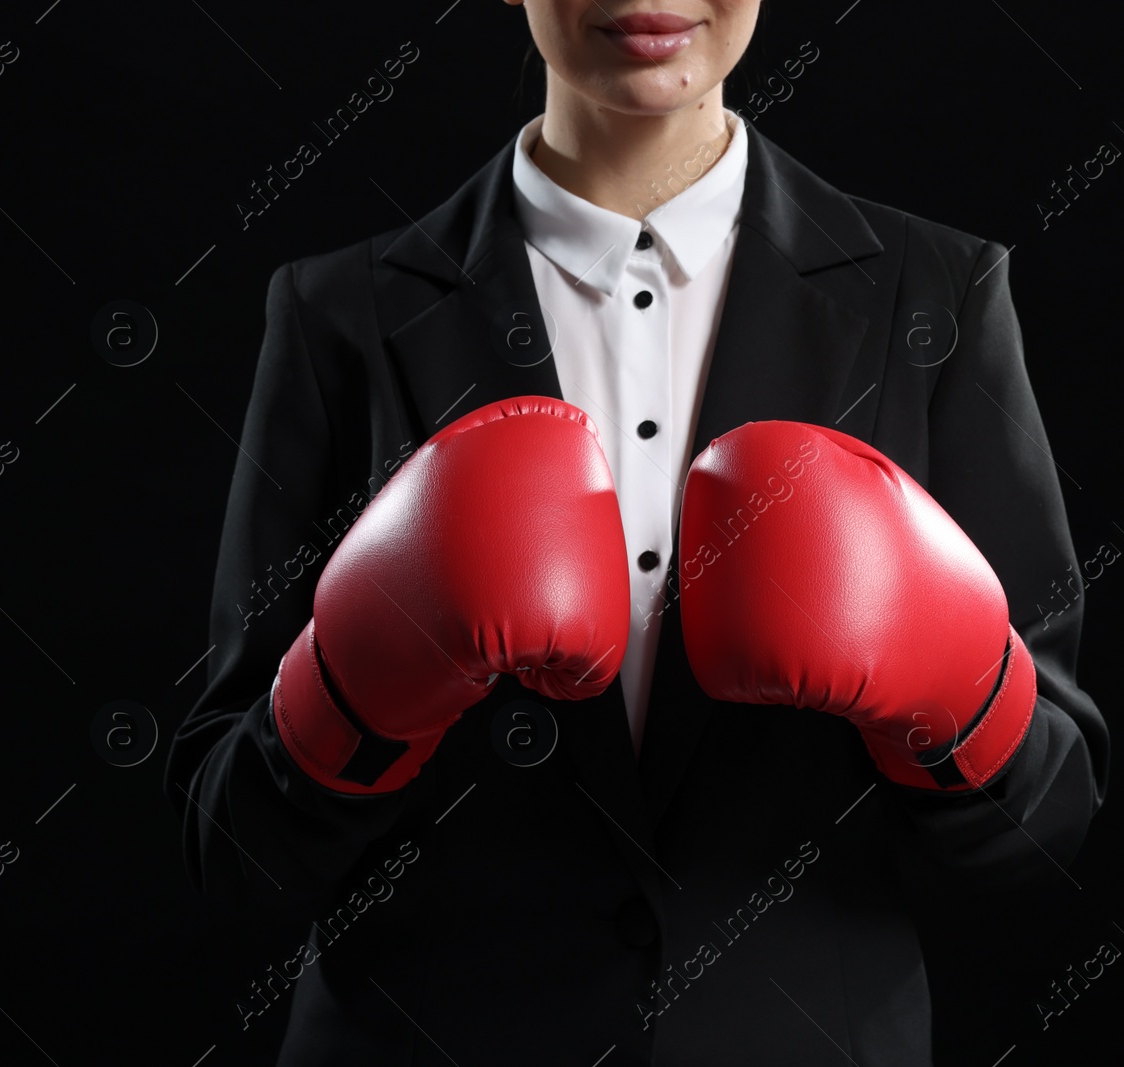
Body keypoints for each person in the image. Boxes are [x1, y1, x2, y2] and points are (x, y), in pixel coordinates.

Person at [164, 2, 1109, 1063]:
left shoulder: (935, 294)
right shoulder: (342, 311)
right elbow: (231, 847)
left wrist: (949, 690)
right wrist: (363, 688)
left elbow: (1050, 825)